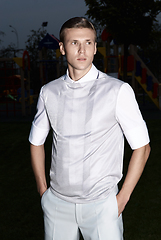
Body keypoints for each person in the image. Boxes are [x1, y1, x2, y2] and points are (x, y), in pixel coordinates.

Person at [29, 17, 150, 240]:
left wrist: (120, 200)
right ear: (63, 48)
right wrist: (43, 191)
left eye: (88, 42)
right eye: (74, 43)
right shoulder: (49, 92)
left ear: (95, 47)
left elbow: (142, 147)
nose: (82, 49)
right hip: (57, 205)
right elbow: (36, 142)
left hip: (102, 206)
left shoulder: (117, 91)